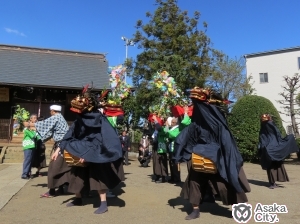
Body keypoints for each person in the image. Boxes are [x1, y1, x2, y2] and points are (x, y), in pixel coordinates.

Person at [173, 87, 251, 220]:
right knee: (194, 181)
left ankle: (237, 208)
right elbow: (182, 138)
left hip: (217, 157)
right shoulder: (196, 124)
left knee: (224, 182)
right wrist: (178, 155)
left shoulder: (218, 124)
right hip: (199, 156)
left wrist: (227, 157)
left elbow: (227, 143)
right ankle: (195, 209)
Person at [53, 85, 123, 214]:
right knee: (77, 175)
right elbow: (70, 133)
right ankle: (78, 199)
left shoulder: (100, 119)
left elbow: (103, 137)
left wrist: (88, 153)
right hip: (81, 147)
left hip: (97, 149)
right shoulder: (79, 118)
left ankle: (103, 203)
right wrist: (59, 148)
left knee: (98, 176)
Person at [24, 105, 70, 198]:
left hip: (62, 145)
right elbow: (49, 132)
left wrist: (29, 124)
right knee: (60, 168)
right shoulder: (60, 118)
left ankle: (52, 191)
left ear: (53, 111)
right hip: (63, 145)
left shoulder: (56, 117)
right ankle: (60, 188)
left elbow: (44, 124)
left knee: (53, 168)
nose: (50, 112)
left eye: (50, 111)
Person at [258, 114, 299, 189]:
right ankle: (272, 183)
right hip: (271, 149)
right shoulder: (268, 126)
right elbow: (276, 135)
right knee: (272, 166)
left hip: (271, 148)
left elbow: (274, 137)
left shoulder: (264, 128)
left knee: (274, 165)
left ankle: (273, 183)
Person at [165, 107, 191, 183]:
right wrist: (166, 127)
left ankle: (177, 178)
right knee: (171, 163)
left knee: (176, 164)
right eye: (172, 121)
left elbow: (172, 135)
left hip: (176, 148)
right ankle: (173, 177)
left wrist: (185, 113)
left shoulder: (179, 128)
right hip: (171, 148)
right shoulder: (171, 129)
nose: (174, 120)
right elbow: (166, 134)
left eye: (174, 120)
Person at [151, 115, 168, 183]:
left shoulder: (165, 129)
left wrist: (155, 119)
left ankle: (163, 176)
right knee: (156, 162)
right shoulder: (155, 130)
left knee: (162, 162)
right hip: (155, 147)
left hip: (161, 148)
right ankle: (157, 175)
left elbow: (159, 128)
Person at [21, 114, 38, 179]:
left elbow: (38, 137)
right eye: (34, 118)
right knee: (27, 160)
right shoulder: (27, 128)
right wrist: (35, 130)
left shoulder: (35, 127)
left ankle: (28, 172)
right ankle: (24, 174)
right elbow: (32, 136)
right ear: (30, 119)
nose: (35, 119)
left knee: (31, 160)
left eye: (36, 118)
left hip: (33, 146)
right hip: (28, 145)